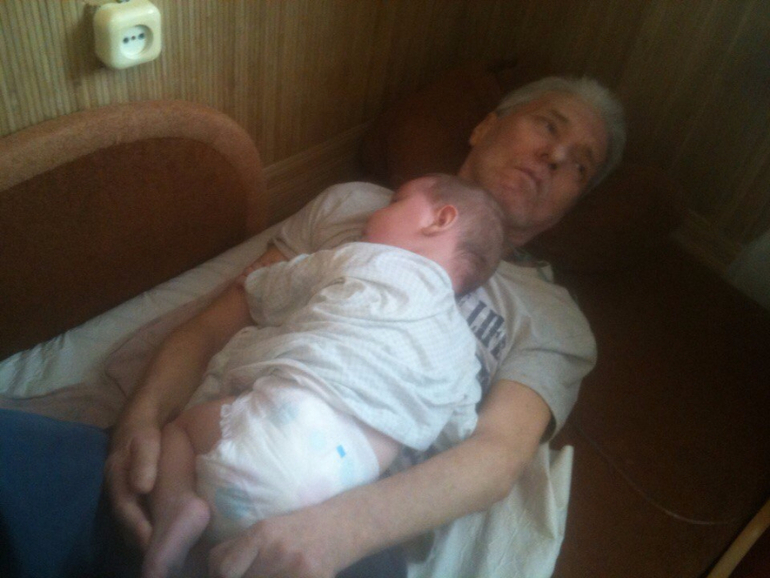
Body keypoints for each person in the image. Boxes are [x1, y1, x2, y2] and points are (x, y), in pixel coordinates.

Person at [0, 74, 625, 578]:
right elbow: (218, 321)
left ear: (570, 204)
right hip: (209, 441)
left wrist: (338, 532)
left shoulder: (554, 321)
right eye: (549, 126)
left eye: (580, 165)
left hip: (348, 530)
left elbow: (495, 455)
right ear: (487, 125)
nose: (555, 157)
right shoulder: (355, 207)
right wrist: (140, 418)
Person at [140, 174, 505, 578]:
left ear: (440, 220)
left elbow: (286, 284)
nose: (374, 212)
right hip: (336, 495)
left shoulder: (366, 258)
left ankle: (179, 507)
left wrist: (257, 280)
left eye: (396, 201)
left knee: (179, 432)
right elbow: (460, 426)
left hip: (275, 431)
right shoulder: (462, 350)